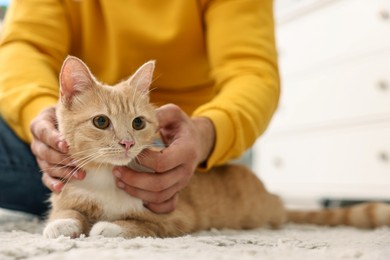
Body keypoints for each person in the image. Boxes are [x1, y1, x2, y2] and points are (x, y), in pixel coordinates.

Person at [0, 0, 280, 217]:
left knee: (201, 197)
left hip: (178, 145)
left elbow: (252, 72)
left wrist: (210, 133)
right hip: (76, 140)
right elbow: (24, 47)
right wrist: (37, 113)